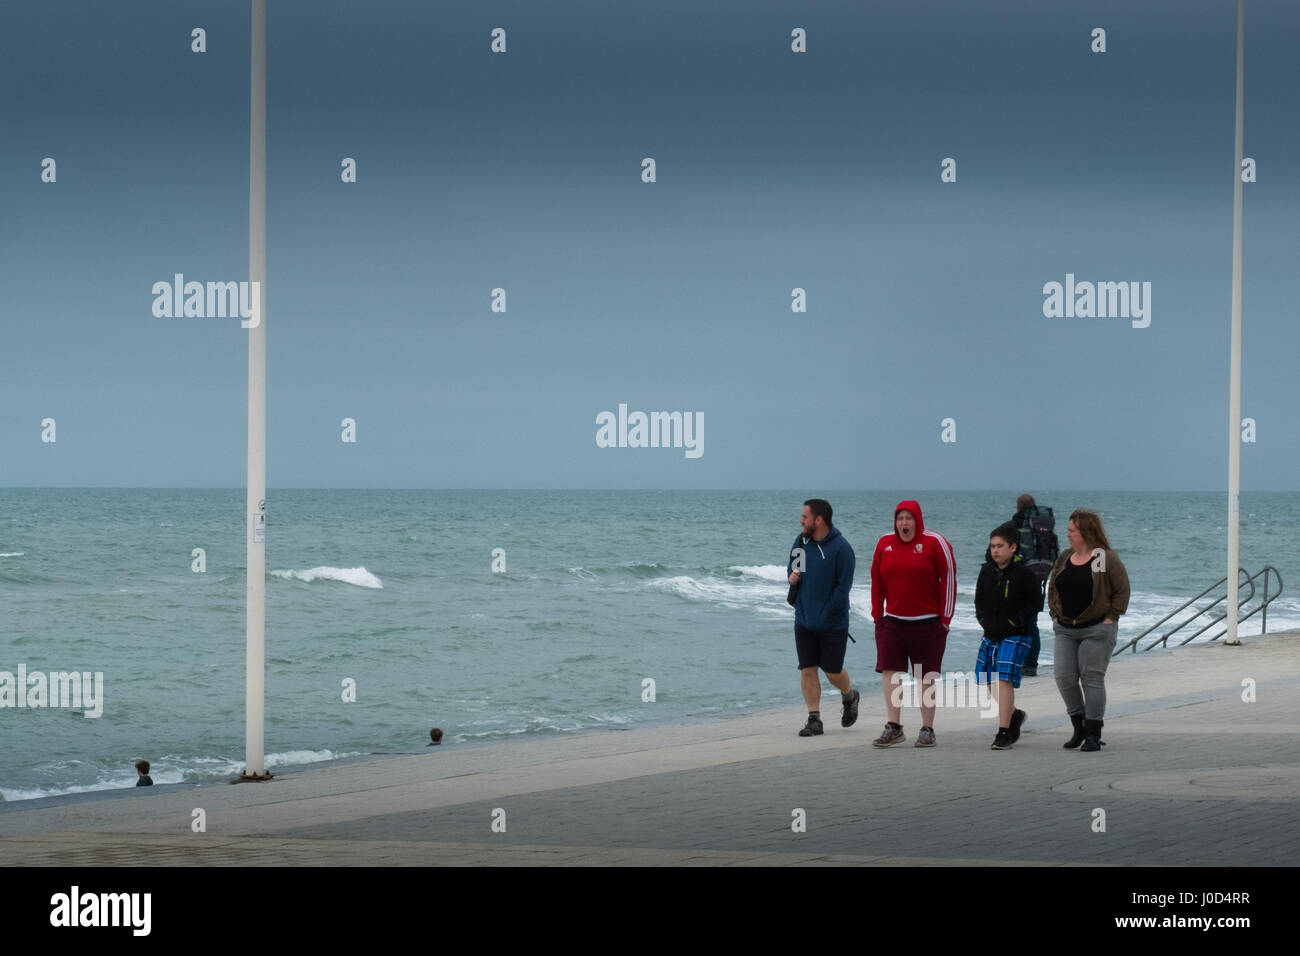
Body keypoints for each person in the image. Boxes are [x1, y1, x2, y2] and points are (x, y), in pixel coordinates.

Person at [869, 500, 956, 747]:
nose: (904, 523)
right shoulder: (884, 543)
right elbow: (876, 580)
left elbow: (948, 578)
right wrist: (878, 616)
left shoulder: (935, 542)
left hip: (928, 624)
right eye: (900, 518)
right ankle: (893, 726)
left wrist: (945, 618)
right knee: (889, 672)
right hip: (893, 623)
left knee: (925, 676)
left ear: (917, 520)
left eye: (909, 518)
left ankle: (927, 729)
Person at [1047, 509, 1130, 751]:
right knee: (1064, 677)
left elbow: (1122, 590)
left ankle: (1093, 733)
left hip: (1096, 629)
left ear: (1085, 532)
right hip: (1065, 629)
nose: (1068, 534)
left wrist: (1111, 617)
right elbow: (1053, 586)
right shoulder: (1065, 557)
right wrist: (1054, 613)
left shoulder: (1103, 557)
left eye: (1072, 530)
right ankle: (1079, 727)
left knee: (1091, 678)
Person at [786, 498, 858, 737]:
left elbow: (842, 590)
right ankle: (814, 719)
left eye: (805, 516)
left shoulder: (842, 549)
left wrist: (827, 613)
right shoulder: (802, 542)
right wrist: (793, 578)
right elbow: (793, 570)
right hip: (804, 619)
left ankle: (849, 695)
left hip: (833, 623)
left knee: (832, 671)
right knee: (807, 669)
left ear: (819, 520)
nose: (801, 520)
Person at [974, 524, 1039, 749]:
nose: (995, 550)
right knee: (986, 678)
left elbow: (1034, 603)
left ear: (1013, 547)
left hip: (1016, 634)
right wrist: (983, 620)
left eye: (1000, 546)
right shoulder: (986, 571)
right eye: (992, 546)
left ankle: (1003, 731)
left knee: (1004, 679)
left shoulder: (1025, 573)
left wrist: (1015, 622)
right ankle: (1014, 715)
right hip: (990, 633)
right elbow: (978, 600)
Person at [983, 494, 1059, 676]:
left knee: (1009, 623)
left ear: (1017, 508)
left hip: (1014, 584)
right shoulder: (1045, 530)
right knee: (1031, 624)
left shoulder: (1010, 527)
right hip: (1038, 582)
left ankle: (1010, 663)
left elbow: (990, 555)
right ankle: (1031, 665)